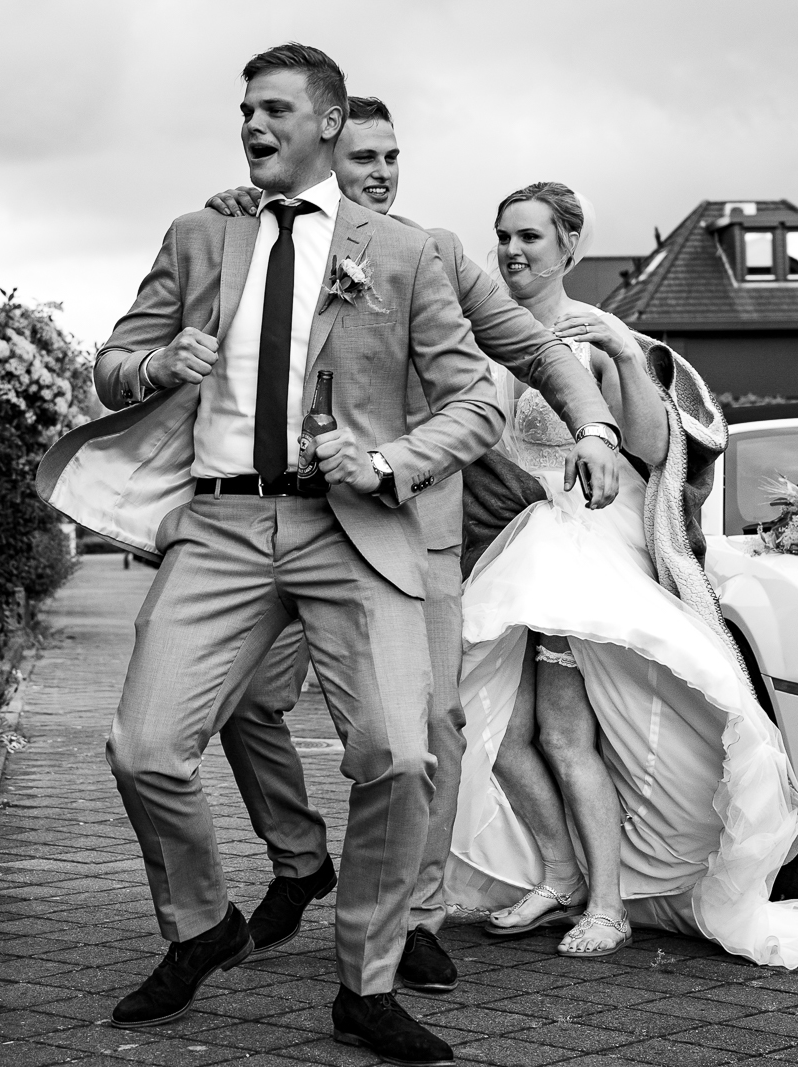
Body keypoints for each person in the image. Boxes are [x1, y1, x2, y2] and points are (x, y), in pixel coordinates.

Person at [74, 44, 503, 1067]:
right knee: (142, 748)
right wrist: (155, 361)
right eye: (245, 111)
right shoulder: (198, 234)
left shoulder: (401, 252)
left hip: (349, 527)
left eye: (273, 109)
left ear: (325, 122)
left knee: (398, 752)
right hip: (219, 528)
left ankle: (367, 983)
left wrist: (387, 460)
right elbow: (110, 365)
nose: (252, 126)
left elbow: (477, 401)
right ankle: (201, 924)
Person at [201, 97, 621, 994]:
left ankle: (418, 913)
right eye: (364, 157)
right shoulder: (261, 237)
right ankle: (299, 859)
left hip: (410, 527)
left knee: (431, 727)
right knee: (241, 698)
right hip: (282, 526)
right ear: (321, 158)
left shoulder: (433, 253)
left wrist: (595, 426)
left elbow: (537, 350)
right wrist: (230, 219)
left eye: (393, 156)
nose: (384, 173)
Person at [448, 181, 798, 973]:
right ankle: (559, 873)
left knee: (565, 734)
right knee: (493, 726)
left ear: (569, 246)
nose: (511, 250)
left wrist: (627, 352)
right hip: (508, 552)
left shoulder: (594, 337)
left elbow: (650, 447)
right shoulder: (489, 337)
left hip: (578, 553)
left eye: (530, 236)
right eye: (503, 235)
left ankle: (606, 904)